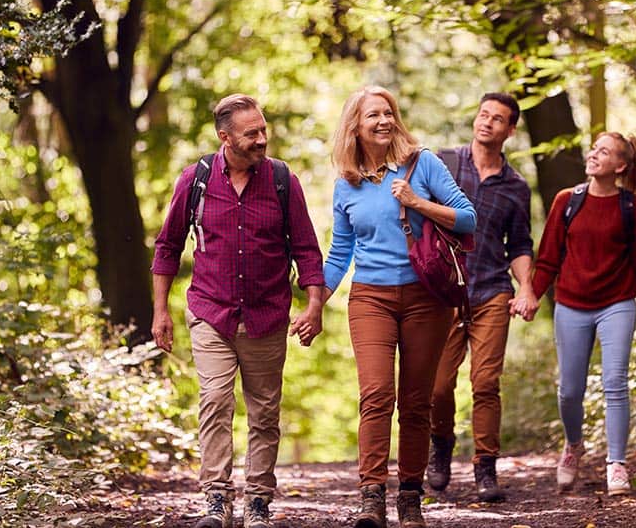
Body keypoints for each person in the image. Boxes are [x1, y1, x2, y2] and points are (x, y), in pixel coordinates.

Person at [151, 94, 325, 528]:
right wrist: (160, 312)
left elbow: (307, 249)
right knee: (214, 399)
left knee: (265, 411)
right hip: (212, 311)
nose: (262, 139)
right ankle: (216, 497)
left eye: (263, 130)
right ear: (225, 137)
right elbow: (168, 247)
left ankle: (259, 501)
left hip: (267, 314)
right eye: (252, 134)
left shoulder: (283, 181)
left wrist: (315, 305)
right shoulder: (196, 180)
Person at [321, 86, 476, 528]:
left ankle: (409, 497)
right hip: (370, 297)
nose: (384, 121)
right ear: (356, 125)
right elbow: (339, 255)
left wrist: (416, 202)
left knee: (415, 401)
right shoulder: (346, 184)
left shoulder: (422, 163)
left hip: (426, 298)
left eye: (389, 113)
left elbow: (468, 218)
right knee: (375, 394)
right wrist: (315, 303)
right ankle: (371, 497)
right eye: (374, 115)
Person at [528, 131, 636, 496]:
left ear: (620, 165)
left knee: (615, 381)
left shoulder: (633, 208)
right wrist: (532, 295)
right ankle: (573, 446)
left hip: (617, 303)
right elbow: (549, 257)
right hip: (571, 304)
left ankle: (616, 464)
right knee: (570, 391)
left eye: (604, 152)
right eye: (594, 149)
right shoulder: (566, 201)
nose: (594, 155)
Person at [426, 93, 537, 502]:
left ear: (511, 130)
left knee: (486, 382)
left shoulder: (516, 187)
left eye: (498, 119)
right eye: (483, 114)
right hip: (445, 291)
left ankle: (485, 469)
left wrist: (527, 286)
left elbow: (520, 245)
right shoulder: (443, 165)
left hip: (492, 291)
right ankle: (440, 450)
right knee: (438, 386)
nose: (487, 123)